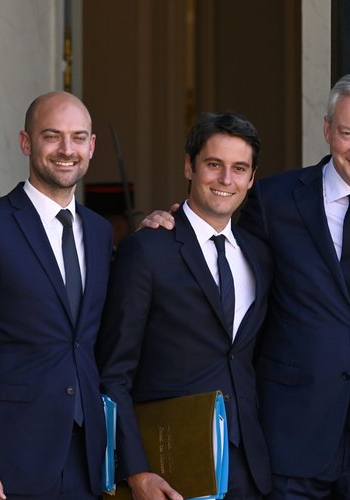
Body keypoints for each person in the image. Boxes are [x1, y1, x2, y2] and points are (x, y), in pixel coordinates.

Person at [142, 73, 350, 498]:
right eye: (347, 133)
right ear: (327, 129)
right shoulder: (273, 199)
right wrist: (170, 227)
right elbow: (218, 253)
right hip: (290, 436)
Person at [0, 91, 113, 499]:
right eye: (52, 136)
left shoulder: (100, 232)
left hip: (85, 458)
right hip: (3, 462)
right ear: (26, 143)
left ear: (91, 146)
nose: (66, 149)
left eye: (78, 137)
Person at [98, 112, 272, 499]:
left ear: (251, 178)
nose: (226, 179)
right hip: (171, 467)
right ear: (189, 167)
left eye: (239, 168)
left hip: (249, 471)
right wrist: (136, 470)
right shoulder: (146, 250)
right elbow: (114, 372)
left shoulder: (260, 255)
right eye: (214, 164)